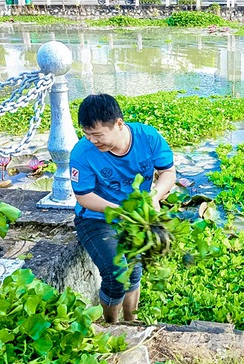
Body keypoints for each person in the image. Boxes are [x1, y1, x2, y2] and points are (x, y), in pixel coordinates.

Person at [70, 94, 176, 323]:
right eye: (87, 134)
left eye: (97, 135)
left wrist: (154, 196)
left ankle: (130, 322)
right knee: (117, 275)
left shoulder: (148, 137)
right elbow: (84, 196)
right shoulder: (82, 152)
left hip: (136, 217)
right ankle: (111, 324)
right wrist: (121, 210)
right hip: (96, 218)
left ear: (119, 124)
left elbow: (168, 173)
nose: (92, 140)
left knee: (134, 271)